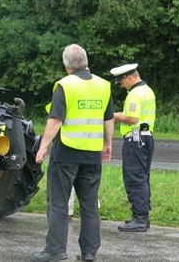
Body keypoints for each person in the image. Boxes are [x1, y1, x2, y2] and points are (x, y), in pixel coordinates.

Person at [31, 44, 114, 262]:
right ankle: (89, 253)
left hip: (66, 154)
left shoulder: (65, 85)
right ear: (85, 61)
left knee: (58, 202)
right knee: (89, 204)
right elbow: (108, 118)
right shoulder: (103, 86)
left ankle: (55, 251)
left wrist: (43, 146)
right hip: (93, 155)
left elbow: (56, 119)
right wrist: (108, 143)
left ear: (67, 65)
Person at [110, 63, 156, 232]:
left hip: (135, 140)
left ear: (129, 77)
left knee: (135, 177)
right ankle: (142, 216)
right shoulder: (147, 90)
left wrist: (111, 116)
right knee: (142, 177)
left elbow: (131, 118)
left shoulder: (135, 94)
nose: (121, 86)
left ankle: (140, 219)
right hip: (146, 138)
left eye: (121, 82)